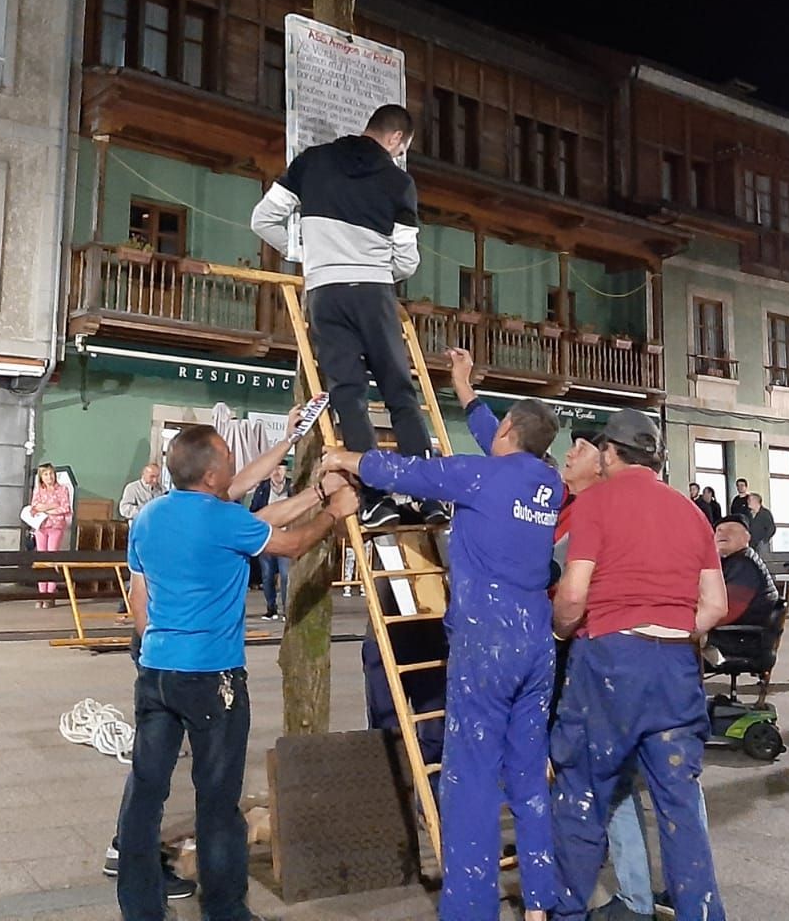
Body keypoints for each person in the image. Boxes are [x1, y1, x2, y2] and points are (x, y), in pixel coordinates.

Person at [323, 348, 564, 921]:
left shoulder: (479, 476)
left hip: (487, 638)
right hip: (536, 637)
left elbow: (402, 471)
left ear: (508, 431)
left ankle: (469, 908)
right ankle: (540, 902)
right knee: (529, 773)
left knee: (471, 778)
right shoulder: (547, 484)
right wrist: (464, 388)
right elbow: (499, 445)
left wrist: (343, 455)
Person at [114, 424, 351, 921]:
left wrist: (292, 452)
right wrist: (332, 511)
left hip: (155, 670)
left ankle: (140, 907)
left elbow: (139, 597)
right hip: (212, 676)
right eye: (226, 456)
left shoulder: (150, 516)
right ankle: (224, 911)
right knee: (218, 804)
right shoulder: (223, 520)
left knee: (145, 790)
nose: (231, 464)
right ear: (212, 472)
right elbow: (288, 543)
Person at [550, 409, 728, 921]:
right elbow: (714, 605)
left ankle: (568, 913)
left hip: (609, 662)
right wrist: (672, 627)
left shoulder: (595, 502)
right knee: (679, 807)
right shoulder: (691, 511)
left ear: (609, 453)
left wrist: (561, 631)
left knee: (583, 792)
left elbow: (574, 594)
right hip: (675, 668)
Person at [251, 104, 437, 527]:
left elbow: (263, 219)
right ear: (397, 139)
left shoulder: (311, 162)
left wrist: (305, 256)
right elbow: (406, 261)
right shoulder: (398, 181)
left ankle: (373, 500)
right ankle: (428, 495)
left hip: (324, 292)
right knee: (399, 394)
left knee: (348, 395)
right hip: (373, 293)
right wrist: (372, 265)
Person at [25, 463, 72, 606]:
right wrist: (51, 507)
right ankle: (41, 592)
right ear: (41, 477)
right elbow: (34, 508)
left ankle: (50, 593)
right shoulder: (39, 490)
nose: (49, 477)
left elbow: (65, 507)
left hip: (56, 526)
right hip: (41, 526)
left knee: (52, 558)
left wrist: (47, 509)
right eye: (45, 474)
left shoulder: (62, 489)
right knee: (41, 558)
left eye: (51, 473)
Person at [250, 464, 291, 621]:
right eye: (274, 468)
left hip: (286, 536)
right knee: (267, 575)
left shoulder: (291, 487)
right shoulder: (263, 488)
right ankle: (271, 608)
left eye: (280, 469)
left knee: (286, 575)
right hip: (266, 537)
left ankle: (287, 610)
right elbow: (254, 509)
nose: (277, 472)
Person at [742, 492, 776, 558]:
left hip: (762, 544)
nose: (748, 501)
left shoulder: (765, 513)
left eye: (750, 500)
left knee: (763, 561)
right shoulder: (747, 514)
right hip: (750, 543)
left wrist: (764, 540)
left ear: (756, 501)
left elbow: (771, 528)